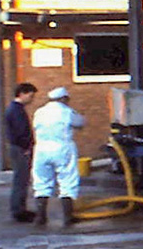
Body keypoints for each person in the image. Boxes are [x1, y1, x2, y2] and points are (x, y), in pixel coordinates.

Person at [30, 87, 85, 227]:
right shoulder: (67, 112)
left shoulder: (39, 112)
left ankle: (40, 217)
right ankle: (68, 217)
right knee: (67, 180)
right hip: (62, 148)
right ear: (64, 98)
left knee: (41, 181)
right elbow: (80, 123)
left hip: (41, 149)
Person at [5, 83, 37, 223]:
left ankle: (19, 208)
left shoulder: (13, 109)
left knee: (20, 179)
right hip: (20, 148)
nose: (31, 99)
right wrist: (26, 147)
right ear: (22, 93)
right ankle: (19, 210)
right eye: (30, 95)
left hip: (16, 147)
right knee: (21, 179)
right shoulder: (17, 110)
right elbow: (21, 131)